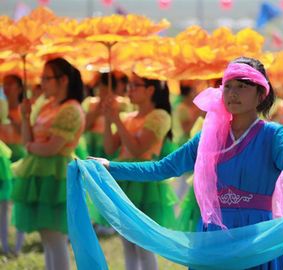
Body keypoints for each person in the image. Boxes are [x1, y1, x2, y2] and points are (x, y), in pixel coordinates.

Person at [91, 57, 283, 270]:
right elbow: (163, 168)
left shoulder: (272, 135)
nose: (233, 92)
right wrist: (110, 166)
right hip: (214, 234)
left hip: (254, 234)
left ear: (261, 94)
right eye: (228, 85)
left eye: (242, 86)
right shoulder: (208, 137)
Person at [12, 58, 85, 270]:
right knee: (47, 237)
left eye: (46, 78)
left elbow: (51, 148)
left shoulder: (71, 109)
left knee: (55, 238)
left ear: (63, 80)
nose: (41, 82)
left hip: (56, 176)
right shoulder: (46, 106)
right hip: (40, 174)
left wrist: (32, 146)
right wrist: (25, 117)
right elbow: (29, 139)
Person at [102, 73, 178, 270]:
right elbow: (110, 149)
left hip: (145, 182)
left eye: (135, 85)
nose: (129, 89)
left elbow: (138, 149)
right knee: (127, 243)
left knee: (144, 245)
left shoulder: (160, 116)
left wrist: (117, 120)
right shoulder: (128, 117)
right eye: (129, 84)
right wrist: (108, 118)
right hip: (124, 180)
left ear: (150, 89)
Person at [0, 75, 26, 255]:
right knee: (2, 204)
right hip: (3, 160)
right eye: (4, 84)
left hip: (21, 160)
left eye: (10, 84)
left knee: (19, 203)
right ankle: (4, 245)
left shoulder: (25, 109)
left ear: (19, 87)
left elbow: (26, 137)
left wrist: (15, 119)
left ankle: (18, 246)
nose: (6, 87)